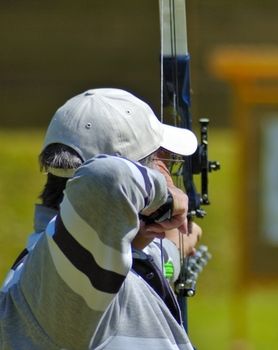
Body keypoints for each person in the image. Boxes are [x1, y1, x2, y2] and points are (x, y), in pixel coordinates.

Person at [0, 88, 202, 349]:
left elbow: (136, 258)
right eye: (159, 163)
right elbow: (107, 180)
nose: (167, 173)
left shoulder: (85, 265)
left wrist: (175, 244)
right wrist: (166, 198)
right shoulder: (62, 283)